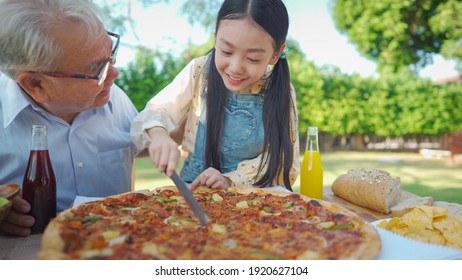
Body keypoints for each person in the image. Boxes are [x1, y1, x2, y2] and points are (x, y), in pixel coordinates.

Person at [0, 0, 138, 236]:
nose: (115, 74)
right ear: (35, 84)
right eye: (97, 69)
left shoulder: (115, 97)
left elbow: (146, 144)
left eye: (111, 55)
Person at [131, 0, 300, 191]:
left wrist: (230, 180)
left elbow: (286, 164)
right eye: (226, 51)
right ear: (215, 38)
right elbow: (157, 109)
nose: (235, 68)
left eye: (253, 58)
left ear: (275, 55)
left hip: (251, 199)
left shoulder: (280, 89)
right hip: (193, 192)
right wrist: (158, 133)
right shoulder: (200, 71)